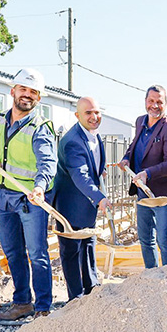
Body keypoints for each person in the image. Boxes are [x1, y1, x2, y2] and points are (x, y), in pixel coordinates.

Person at [0, 68, 56, 320]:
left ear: (39, 98)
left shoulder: (40, 126)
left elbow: (47, 162)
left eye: (33, 92)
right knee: (13, 252)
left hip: (30, 199)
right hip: (3, 196)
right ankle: (22, 302)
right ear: (13, 90)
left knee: (37, 254)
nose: (28, 95)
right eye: (23, 89)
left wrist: (39, 186)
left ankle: (43, 308)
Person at [119, 85, 167, 269]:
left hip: (164, 192)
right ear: (145, 102)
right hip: (143, 191)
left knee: (164, 238)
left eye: (159, 102)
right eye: (151, 101)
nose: (155, 105)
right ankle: (152, 275)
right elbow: (135, 146)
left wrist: (147, 173)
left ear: (166, 103)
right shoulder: (140, 121)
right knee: (145, 238)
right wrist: (126, 158)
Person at [52, 97, 109, 301]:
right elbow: (80, 175)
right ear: (77, 115)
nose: (94, 117)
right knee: (71, 250)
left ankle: (91, 287)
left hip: (86, 204)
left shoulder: (93, 134)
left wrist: (100, 171)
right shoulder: (72, 142)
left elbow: (92, 166)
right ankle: (75, 298)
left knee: (88, 243)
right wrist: (99, 197)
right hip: (70, 205)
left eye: (97, 112)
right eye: (88, 113)